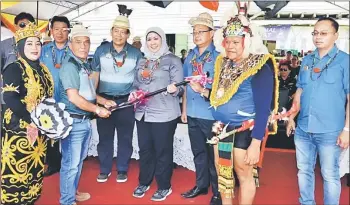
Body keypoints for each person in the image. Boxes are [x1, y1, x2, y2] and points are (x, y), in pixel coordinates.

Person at [209, 3, 279, 205]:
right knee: (223, 174)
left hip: (245, 130)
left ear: (246, 42)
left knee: (243, 173)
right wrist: (203, 90)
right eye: (227, 41)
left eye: (235, 42)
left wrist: (256, 143)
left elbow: (264, 107)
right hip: (220, 128)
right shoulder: (224, 63)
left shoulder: (260, 66)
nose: (229, 46)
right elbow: (222, 95)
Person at [286, 17, 349, 205]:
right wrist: (291, 117)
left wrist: (347, 130)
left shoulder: (345, 61)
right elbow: (299, 90)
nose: (317, 37)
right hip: (304, 128)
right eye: (315, 33)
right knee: (304, 170)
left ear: (335, 35)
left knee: (330, 175)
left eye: (323, 33)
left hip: (330, 130)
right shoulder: (307, 59)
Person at [1, 22, 54, 205]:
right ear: (21, 46)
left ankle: (30, 200)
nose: (34, 47)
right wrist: (31, 119)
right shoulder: (14, 68)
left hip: (40, 130)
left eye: (37, 43)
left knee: (35, 171)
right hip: (17, 130)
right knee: (16, 172)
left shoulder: (44, 70)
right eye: (29, 43)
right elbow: (10, 98)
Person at [59, 24, 111, 205]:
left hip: (84, 120)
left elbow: (87, 92)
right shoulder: (70, 66)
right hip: (73, 122)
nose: (83, 46)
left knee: (78, 162)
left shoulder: (83, 63)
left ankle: (72, 193)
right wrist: (97, 109)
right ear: (70, 45)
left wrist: (103, 101)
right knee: (71, 164)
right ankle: (67, 200)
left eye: (86, 42)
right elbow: (74, 97)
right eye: (78, 42)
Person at [132, 27, 183, 201]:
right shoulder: (141, 61)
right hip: (142, 113)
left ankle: (164, 186)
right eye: (150, 39)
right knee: (145, 150)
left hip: (164, 114)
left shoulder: (172, 60)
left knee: (162, 151)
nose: (152, 42)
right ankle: (144, 181)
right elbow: (135, 84)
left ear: (162, 40)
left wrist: (175, 88)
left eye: (156, 38)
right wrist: (134, 94)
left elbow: (181, 87)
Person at [92, 13, 142, 183]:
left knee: (125, 137)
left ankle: (122, 168)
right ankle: (104, 169)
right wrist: (97, 99)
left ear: (128, 34)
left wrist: (134, 96)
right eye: (116, 31)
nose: (119, 35)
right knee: (104, 136)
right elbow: (94, 78)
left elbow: (140, 78)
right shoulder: (101, 51)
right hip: (105, 100)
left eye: (123, 32)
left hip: (127, 101)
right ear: (111, 31)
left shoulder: (136, 53)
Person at [180, 12, 221, 205]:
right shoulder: (189, 57)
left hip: (211, 114)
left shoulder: (219, 58)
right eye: (194, 32)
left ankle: (218, 191)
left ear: (212, 33)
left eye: (201, 31)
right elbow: (187, 85)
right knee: (198, 153)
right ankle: (201, 185)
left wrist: (204, 89)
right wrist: (184, 110)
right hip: (193, 113)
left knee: (215, 156)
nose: (196, 35)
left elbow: (223, 90)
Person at [40, 15, 71, 178]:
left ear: (68, 31)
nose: (60, 33)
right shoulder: (43, 50)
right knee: (50, 134)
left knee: (69, 133)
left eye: (63, 29)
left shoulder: (73, 49)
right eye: (56, 29)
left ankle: (70, 163)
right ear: (51, 31)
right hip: (48, 99)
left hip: (69, 99)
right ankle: (53, 164)